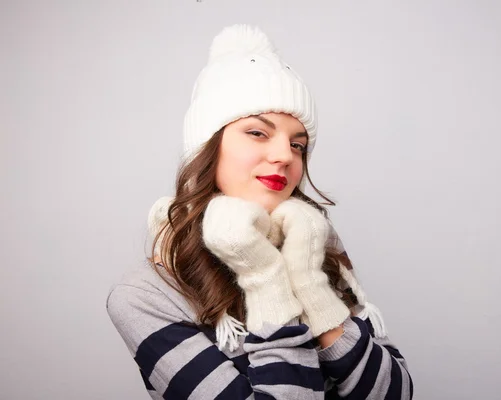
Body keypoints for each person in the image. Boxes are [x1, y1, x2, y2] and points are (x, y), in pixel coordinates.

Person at [106, 24, 414, 399]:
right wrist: (265, 278)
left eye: (297, 144)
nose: (285, 155)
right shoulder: (146, 294)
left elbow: (393, 394)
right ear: (208, 147)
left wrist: (310, 288)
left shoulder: (311, 236)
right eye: (257, 132)